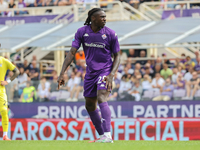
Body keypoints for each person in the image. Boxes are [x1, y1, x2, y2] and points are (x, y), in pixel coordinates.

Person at [57, 8, 120, 143]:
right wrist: (62, 73)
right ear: (93, 18)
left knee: (102, 96)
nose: (105, 19)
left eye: (105, 17)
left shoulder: (111, 34)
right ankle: (102, 135)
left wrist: (111, 74)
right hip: (91, 72)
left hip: (105, 70)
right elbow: (72, 52)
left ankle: (108, 135)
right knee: (90, 105)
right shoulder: (82, 32)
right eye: (102, 17)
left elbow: (117, 56)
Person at [0, 56, 19, 140]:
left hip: (1, 90)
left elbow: (17, 72)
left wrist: (7, 81)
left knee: (4, 111)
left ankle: (5, 135)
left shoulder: (4, 61)